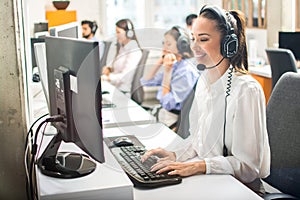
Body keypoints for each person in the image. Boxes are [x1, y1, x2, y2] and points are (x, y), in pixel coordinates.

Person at [141, 5, 270, 196]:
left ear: (229, 44)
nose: (194, 47)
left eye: (203, 39)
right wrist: (176, 155)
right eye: (193, 39)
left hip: (240, 190)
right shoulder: (203, 83)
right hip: (211, 181)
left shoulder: (245, 90)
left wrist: (199, 166)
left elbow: (249, 167)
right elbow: (198, 140)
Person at [140, 26, 199, 127]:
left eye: (169, 44)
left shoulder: (185, 72)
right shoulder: (176, 65)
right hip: (164, 115)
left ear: (182, 46)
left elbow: (167, 104)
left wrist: (167, 72)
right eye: (164, 44)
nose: (164, 48)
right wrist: (161, 59)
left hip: (172, 121)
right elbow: (146, 81)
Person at [101, 19, 142, 92]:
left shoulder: (134, 51)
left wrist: (107, 78)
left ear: (129, 33)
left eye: (118, 32)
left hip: (121, 91)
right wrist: (109, 68)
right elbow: (117, 64)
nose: (116, 35)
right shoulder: (123, 47)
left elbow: (125, 77)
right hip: (113, 87)